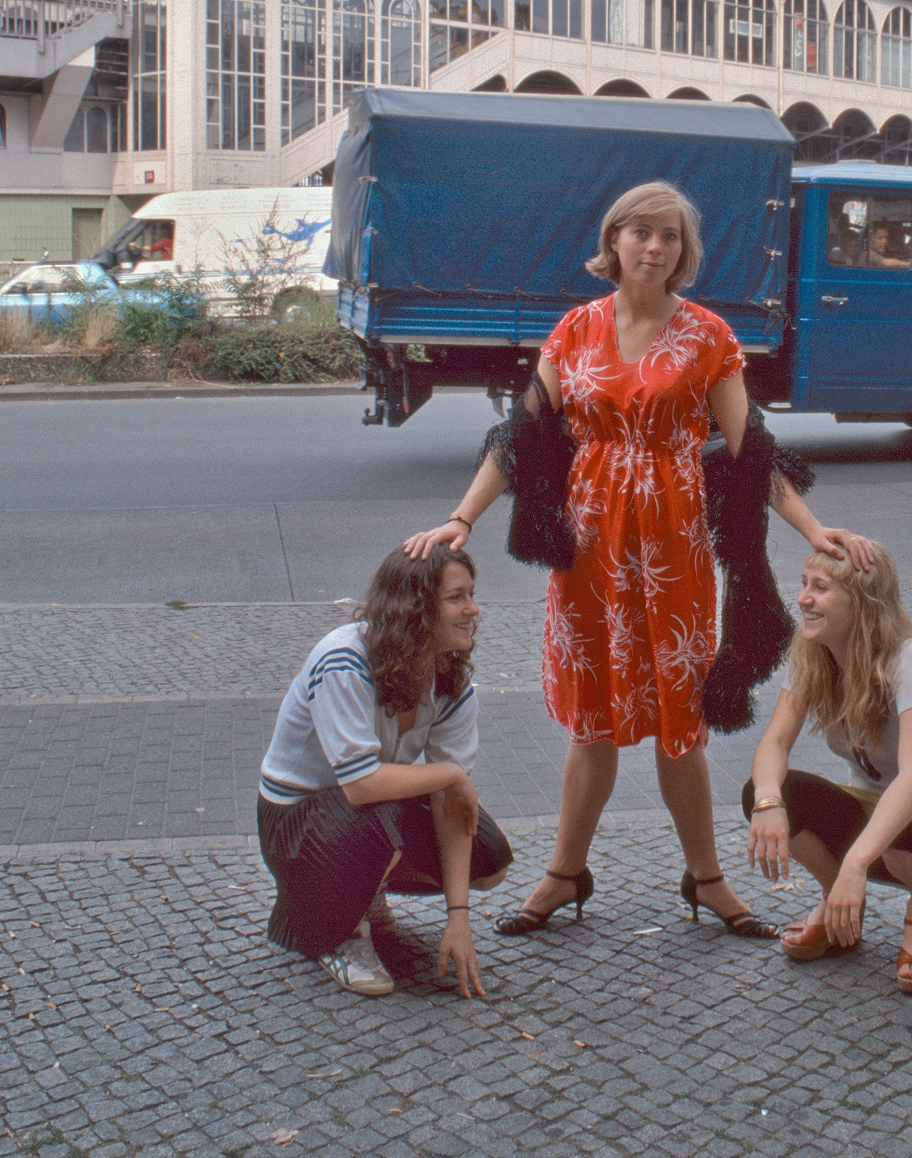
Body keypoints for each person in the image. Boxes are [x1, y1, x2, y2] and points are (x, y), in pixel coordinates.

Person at [406, 180, 873, 941]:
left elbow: (751, 451)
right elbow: (522, 440)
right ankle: (564, 872)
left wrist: (813, 528)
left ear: (683, 253)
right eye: (640, 232)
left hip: (672, 553)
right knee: (590, 724)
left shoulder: (708, 335)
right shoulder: (574, 330)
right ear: (614, 241)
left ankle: (706, 876)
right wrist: (461, 517)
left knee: (677, 724)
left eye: (669, 236)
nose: (654, 247)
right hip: (589, 557)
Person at [257, 546, 510, 998]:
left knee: (488, 860)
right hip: (295, 824)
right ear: (416, 607)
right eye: (457, 598)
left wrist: (459, 916)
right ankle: (338, 932)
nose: (473, 609)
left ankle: (360, 888)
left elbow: (450, 805)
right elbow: (360, 785)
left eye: (472, 595)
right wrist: (451, 775)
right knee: (381, 810)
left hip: (364, 811)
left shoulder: (449, 678)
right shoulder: (345, 659)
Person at [742, 543, 912, 995]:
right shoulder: (815, 655)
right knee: (769, 790)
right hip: (869, 818)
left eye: (821, 588)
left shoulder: (911, 659)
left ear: (862, 602)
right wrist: (768, 801)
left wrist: (856, 861)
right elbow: (773, 744)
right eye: (804, 585)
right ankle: (840, 907)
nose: (803, 599)